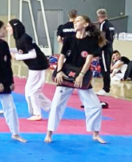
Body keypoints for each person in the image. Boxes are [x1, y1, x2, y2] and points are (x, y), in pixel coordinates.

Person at [44, 15, 106, 145]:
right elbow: (61, 57)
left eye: (78, 21)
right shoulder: (68, 39)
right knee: (56, 105)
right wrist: (59, 71)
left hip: (82, 74)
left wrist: (81, 75)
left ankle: (95, 134)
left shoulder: (91, 41)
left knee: (95, 106)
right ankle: (49, 133)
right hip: (66, 72)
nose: (75, 23)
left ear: (86, 24)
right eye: (75, 21)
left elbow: (88, 60)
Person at [8, 19, 50, 121]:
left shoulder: (24, 38)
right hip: (35, 66)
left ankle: (37, 113)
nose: (7, 29)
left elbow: (33, 54)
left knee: (31, 91)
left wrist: (16, 56)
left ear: (14, 28)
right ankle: (51, 108)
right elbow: (21, 50)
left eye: (9, 26)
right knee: (34, 91)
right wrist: (7, 49)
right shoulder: (19, 39)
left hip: (38, 66)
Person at [96, 9, 115, 101]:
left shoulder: (103, 25)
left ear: (99, 16)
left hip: (104, 49)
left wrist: (97, 49)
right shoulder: (111, 25)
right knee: (106, 68)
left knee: (105, 69)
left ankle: (106, 88)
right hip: (110, 48)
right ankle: (106, 88)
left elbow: (101, 38)